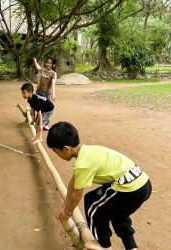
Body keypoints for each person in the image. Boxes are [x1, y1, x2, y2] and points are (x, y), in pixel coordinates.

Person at [46, 121, 152, 250]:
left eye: (57, 152)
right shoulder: (88, 151)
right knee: (120, 217)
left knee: (92, 202)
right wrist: (64, 206)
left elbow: (77, 194)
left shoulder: (83, 164)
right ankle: (132, 248)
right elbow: (73, 183)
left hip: (130, 188)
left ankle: (104, 244)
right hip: (143, 183)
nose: (58, 156)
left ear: (66, 148)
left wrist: (68, 212)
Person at [33, 57, 57, 130]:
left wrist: (53, 93)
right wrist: (35, 61)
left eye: (50, 63)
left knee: (47, 109)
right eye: (47, 63)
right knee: (38, 107)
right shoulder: (42, 70)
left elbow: (53, 83)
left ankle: (45, 123)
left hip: (47, 94)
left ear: (53, 64)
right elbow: (38, 67)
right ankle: (39, 121)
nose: (48, 64)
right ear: (45, 63)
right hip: (39, 92)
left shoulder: (53, 73)